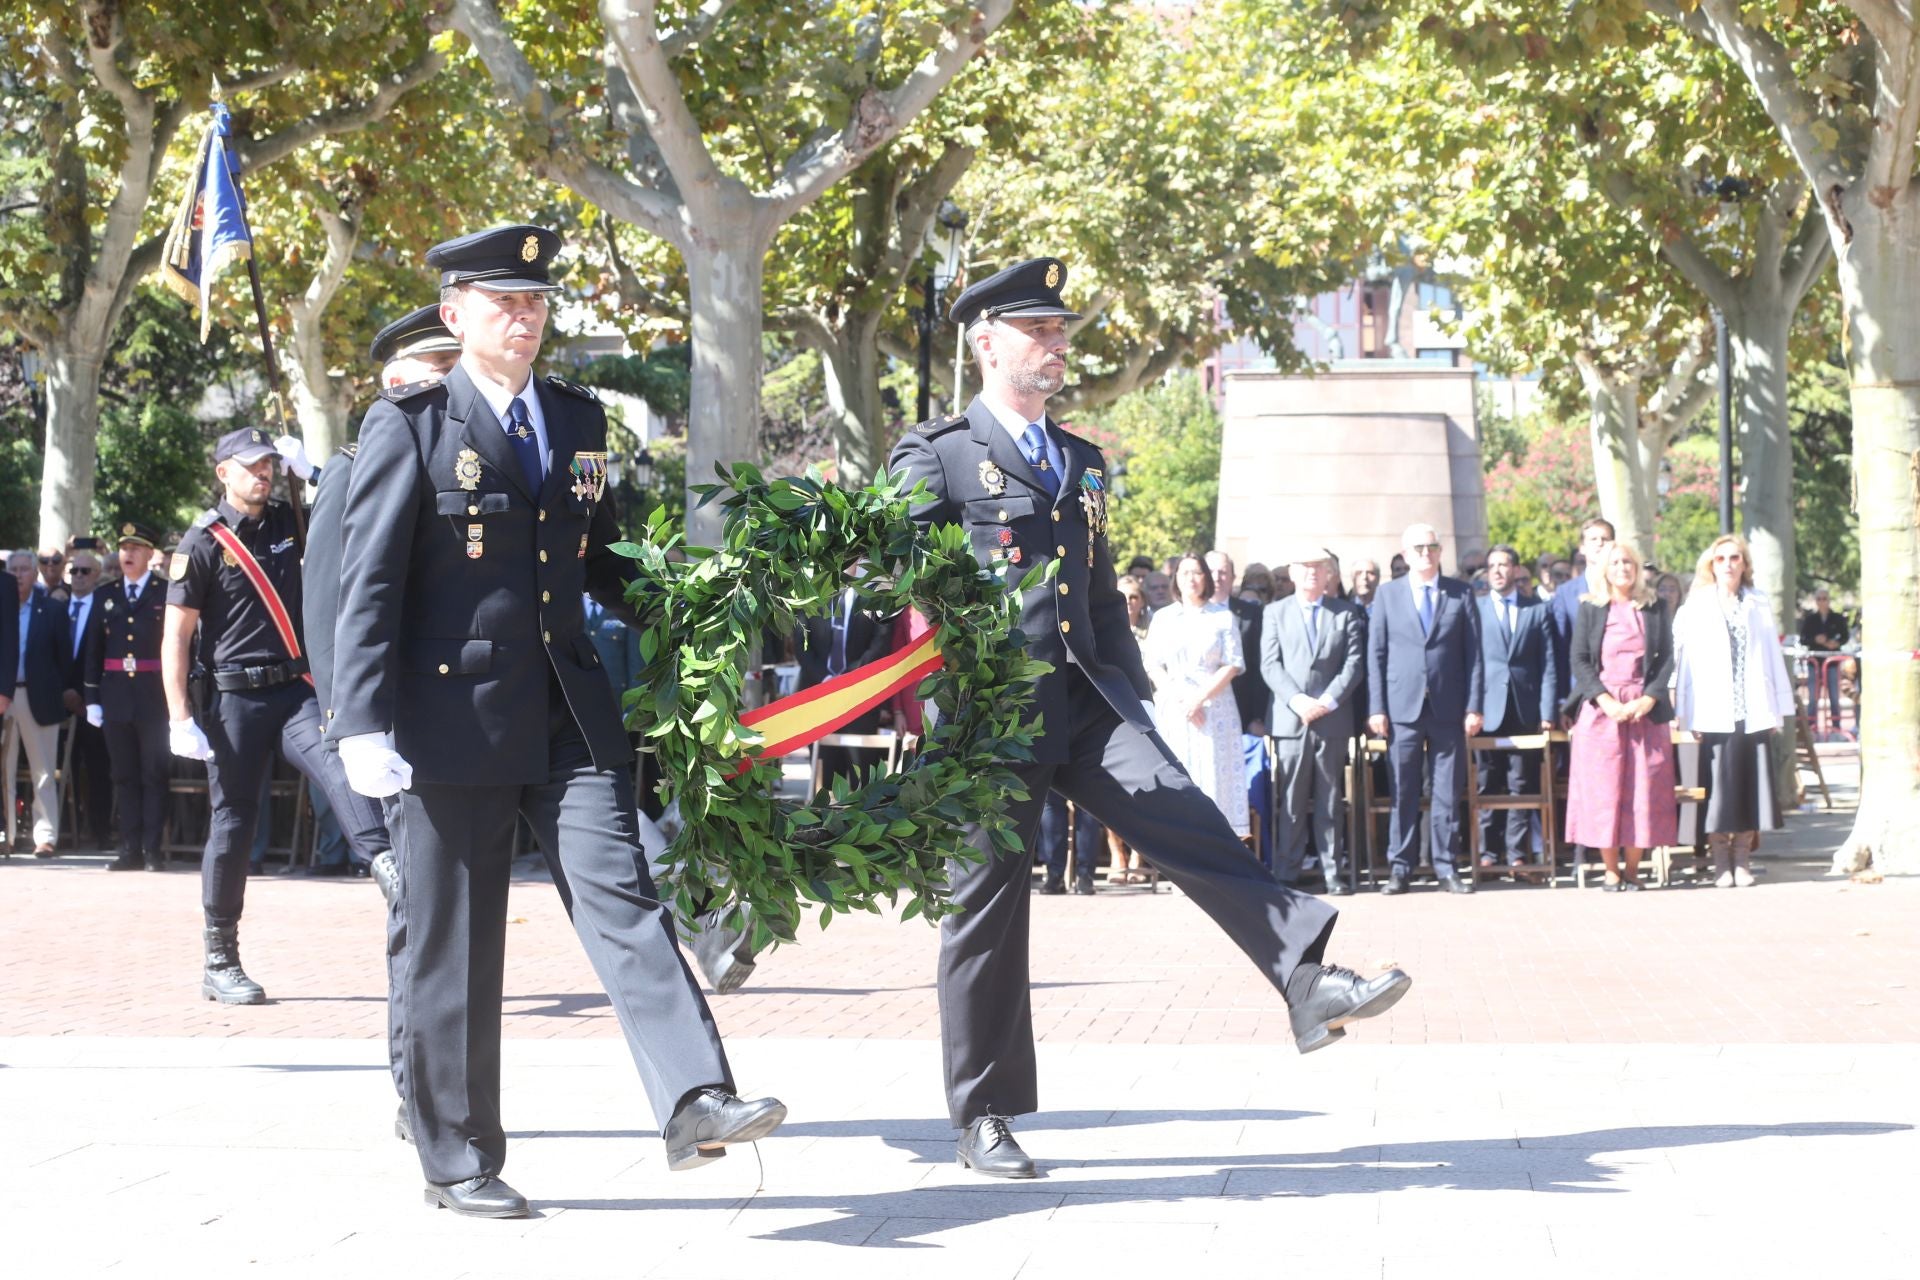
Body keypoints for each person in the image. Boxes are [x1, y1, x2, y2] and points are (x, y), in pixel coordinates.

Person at [887, 256, 1408, 1180]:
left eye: (1061, 330)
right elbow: (900, 574)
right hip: (991, 715)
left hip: (1090, 703)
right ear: (987, 343)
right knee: (986, 911)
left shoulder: (1081, 461)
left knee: (1191, 821)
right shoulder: (938, 453)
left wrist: (1136, 704)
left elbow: (1096, 599)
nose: (1057, 345)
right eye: (1039, 331)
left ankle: (1305, 980)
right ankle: (985, 1116)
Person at [331, 224, 783, 1218]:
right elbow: (369, 584)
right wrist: (358, 723)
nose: (525, 317)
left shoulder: (576, 419)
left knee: (625, 897)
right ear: (455, 314)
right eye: (505, 301)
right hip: (450, 717)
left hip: (567, 710)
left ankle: (695, 1098)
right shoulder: (411, 425)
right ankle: (458, 1157)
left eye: (536, 301)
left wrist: (696, 604)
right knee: (455, 944)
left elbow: (601, 557)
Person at [162, 427, 395, 1005]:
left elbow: (353, 511)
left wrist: (314, 474)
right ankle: (220, 958)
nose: (263, 473)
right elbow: (176, 636)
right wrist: (178, 715)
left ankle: (393, 875)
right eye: (251, 465)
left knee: (343, 768)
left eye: (268, 464)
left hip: (294, 691)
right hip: (233, 701)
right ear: (224, 473)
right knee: (233, 822)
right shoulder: (202, 543)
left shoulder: (293, 520)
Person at [1673, 534, 1797, 888]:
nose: (1728, 564)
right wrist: (1686, 712)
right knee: (1718, 790)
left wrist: (1776, 709)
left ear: (1744, 564)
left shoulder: (1758, 602)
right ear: (1711, 565)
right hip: (1713, 710)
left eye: (1734, 558)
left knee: (1750, 788)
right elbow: (1686, 661)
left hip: (1752, 708)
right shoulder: (1698, 604)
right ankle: (1720, 861)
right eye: (1721, 559)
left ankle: (1743, 859)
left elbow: (1771, 656)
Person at [1368, 522, 1484, 895]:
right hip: (1401, 708)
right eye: (1418, 548)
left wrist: (1474, 705)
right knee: (1403, 790)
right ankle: (1400, 868)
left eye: (1431, 547)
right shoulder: (1387, 595)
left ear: (1440, 551)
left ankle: (1446, 867)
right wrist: (1377, 707)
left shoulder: (1460, 593)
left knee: (1446, 792)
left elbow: (1474, 655)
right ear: (1405, 554)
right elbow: (1376, 654)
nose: (1425, 553)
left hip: (1449, 707)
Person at [1563, 543, 1675, 891]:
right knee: (1603, 789)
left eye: (1628, 561)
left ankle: (1633, 870)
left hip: (1644, 709)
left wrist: (1649, 698)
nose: (1622, 567)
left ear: (1637, 567)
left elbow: (1666, 658)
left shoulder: (1655, 607)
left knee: (1643, 788)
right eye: (1615, 562)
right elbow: (1579, 659)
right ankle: (1611, 870)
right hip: (1602, 710)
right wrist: (1605, 700)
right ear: (1604, 569)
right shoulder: (1591, 608)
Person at [1261, 547, 1363, 894]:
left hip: (1332, 718)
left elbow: (1353, 663)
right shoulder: (1275, 612)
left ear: (1328, 574)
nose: (1312, 573)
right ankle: (1287, 872)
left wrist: (1326, 701)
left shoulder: (1345, 613)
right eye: (1305, 567)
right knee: (1290, 800)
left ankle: (1332, 872)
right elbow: (1270, 664)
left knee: (1330, 800)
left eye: (1319, 567)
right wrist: (1299, 702)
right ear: (1292, 573)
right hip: (1291, 721)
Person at [82, 525, 171, 871]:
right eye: (124, 548)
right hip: (116, 695)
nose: (128, 554)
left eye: (136, 548)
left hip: (154, 695)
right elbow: (93, 650)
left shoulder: (165, 592)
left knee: (154, 774)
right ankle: (129, 849)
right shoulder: (106, 595)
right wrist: (92, 697)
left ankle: (152, 850)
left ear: (149, 554)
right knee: (123, 775)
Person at [1145, 553, 1250, 837]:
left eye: (1197, 573)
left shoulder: (1222, 616)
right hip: (1175, 706)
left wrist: (1199, 698)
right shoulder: (1164, 618)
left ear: (1206, 578)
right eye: (1185, 573)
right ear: (1176, 579)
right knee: (1179, 774)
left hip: (1215, 708)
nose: (1191, 579)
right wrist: (1182, 699)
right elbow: (1153, 664)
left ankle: (1219, 846)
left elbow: (1233, 664)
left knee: (1214, 776)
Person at [1473, 545, 1558, 873]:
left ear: (1516, 570)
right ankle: (1488, 853)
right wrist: (1471, 708)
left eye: (1504, 565)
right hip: (1487, 710)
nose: (1497, 571)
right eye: (1492, 565)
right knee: (1486, 782)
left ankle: (1516, 854)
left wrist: (1547, 712)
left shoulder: (1536, 610)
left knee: (1521, 783)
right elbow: (1470, 664)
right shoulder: (1475, 609)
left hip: (1525, 709)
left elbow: (1548, 665)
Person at [6, 549, 72, 856]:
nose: (18, 575)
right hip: (4, 698)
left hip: (40, 699)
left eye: (24, 569)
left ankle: (45, 836)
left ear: (35, 574)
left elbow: (64, 659)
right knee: (4, 771)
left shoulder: (53, 610)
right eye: (13, 570)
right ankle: (6, 835)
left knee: (43, 772)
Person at [61, 546, 115, 848]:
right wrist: (62, 692)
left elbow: (102, 657)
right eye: (74, 571)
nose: (78, 576)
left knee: (97, 769)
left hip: (92, 704)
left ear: (96, 575)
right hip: (57, 704)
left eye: (85, 571)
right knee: (62, 767)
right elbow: (48, 656)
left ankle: (100, 832)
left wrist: (83, 696)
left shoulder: (104, 609)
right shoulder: (56, 608)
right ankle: (66, 832)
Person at [1797, 588, 1850, 736]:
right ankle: (1812, 728)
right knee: (1813, 697)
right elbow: (1803, 639)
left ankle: (1836, 728)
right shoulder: (1810, 620)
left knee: (1834, 696)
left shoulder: (1837, 618)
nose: (1822, 602)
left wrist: (1836, 643)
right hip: (1814, 663)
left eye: (1824, 598)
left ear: (1828, 600)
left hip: (1832, 663)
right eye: (1819, 599)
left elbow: (1845, 636)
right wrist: (1815, 640)